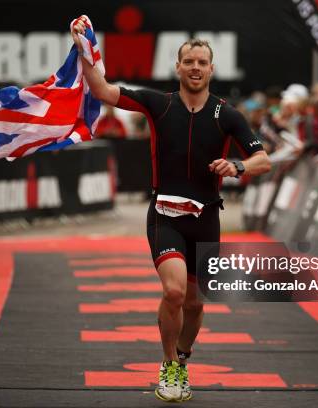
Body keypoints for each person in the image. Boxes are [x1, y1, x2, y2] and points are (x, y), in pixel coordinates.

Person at [71, 15, 271, 402]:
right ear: (177, 67)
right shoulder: (157, 104)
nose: (195, 67)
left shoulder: (226, 114)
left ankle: (183, 356)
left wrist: (238, 166)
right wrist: (83, 48)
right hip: (164, 215)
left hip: (207, 218)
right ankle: (168, 365)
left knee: (195, 304)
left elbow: (263, 160)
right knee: (175, 292)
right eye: (188, 61)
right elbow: (101, 89)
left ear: (212, 69)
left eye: (202, 62)